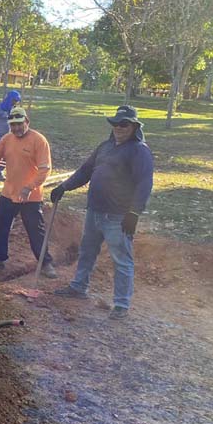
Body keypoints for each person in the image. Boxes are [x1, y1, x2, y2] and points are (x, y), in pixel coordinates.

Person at [49, 105, 154, 320]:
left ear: (134, 126)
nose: (118, 127)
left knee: (121, 259)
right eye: (115, 123)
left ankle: (121, 304)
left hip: (118, 216)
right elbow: (85, 171)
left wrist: (133, 213)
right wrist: (64, 187)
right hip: (94, 211)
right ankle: (79, 287)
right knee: (87, 251)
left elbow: (144, 184)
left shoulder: (139, 151)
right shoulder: (105, 147)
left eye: (124, 124)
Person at [0, 106, 56, 278]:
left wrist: (28, 187)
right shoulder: (7, 138)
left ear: (27, 122)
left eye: (19, 124)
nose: (16, 128)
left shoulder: (39, 140)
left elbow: (45, 170)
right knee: (2, 227)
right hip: (9, 192)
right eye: (13, 125)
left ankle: (45, 263)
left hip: (30, 196)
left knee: (35, 230)